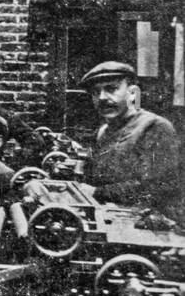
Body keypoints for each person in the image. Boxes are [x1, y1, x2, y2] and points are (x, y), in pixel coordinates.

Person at [78, 61, 181, 211]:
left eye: (111, 89)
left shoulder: (154, 126)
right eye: (95, 92)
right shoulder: (103, 131)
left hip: (146, 225)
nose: (101, 98)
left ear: (133, 93)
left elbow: (158, 187)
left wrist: (98, 192)